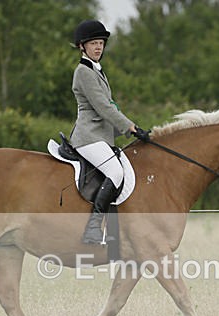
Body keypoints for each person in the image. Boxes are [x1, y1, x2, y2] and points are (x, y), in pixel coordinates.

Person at [70, 19, 150, 244]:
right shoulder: (84, 72)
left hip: (101, 136)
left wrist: (131, 130)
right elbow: (103, 107)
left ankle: (113, 230)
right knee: (115, 173)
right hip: (88, 137)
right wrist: (130, 127)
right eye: (93, 43)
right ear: (82, 46)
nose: (98, 47)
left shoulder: (97, 71)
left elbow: (111, 106)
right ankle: (93, 229)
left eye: (101, 43)